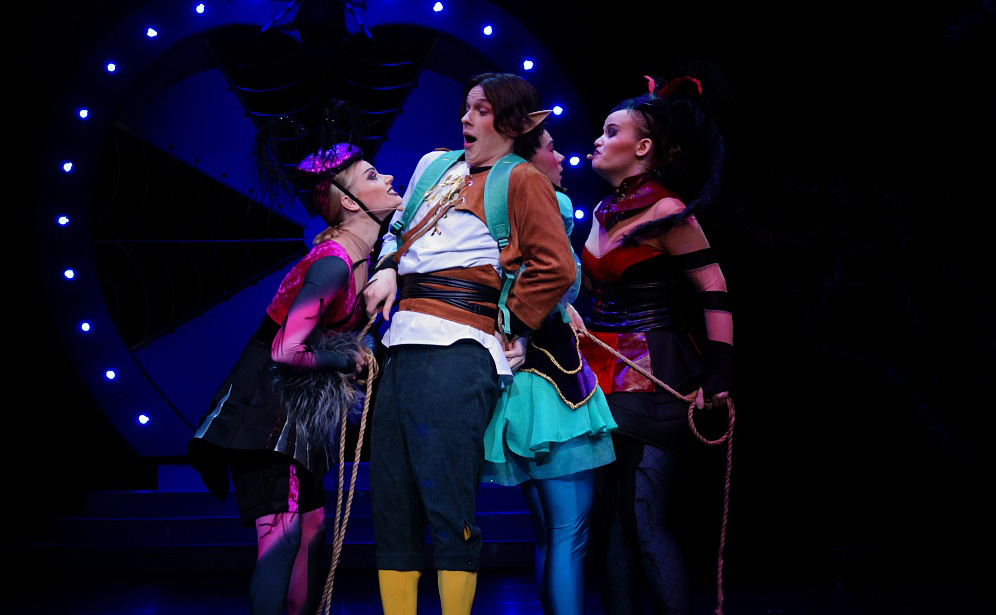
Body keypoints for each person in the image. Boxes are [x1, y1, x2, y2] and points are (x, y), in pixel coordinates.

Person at [362, 73, 577, 615]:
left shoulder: (520, 179)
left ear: (513, 124)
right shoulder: (434, 165)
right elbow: (398, 229)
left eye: (481, 110)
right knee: (391, 503)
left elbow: (557, 267)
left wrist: (514, 324)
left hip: (457, 347)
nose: (466, 118)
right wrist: (385, 269)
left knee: (445, 499)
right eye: (466, 107)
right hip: (401, 343)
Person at [188, 142, 403, 615]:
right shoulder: (333, 263)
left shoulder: (358, 259)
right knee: (283, 536)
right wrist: (346, 360)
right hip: (267, 419)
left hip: (295, 421)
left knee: (310, 527)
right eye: (372, 176)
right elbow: (287, 349)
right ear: (350, 202)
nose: (388, 179)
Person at [574, 76, 733, 615]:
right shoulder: (601, 209)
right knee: (609, 521)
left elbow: (713, 289)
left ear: (642, 148)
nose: (597, 140)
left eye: (611, 131)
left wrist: (719, 376)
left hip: (655, 375)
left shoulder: (668, 211)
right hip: (598, 375)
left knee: (642, 515)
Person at [482, 129, 616, 615]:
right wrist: (557, 304)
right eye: (550, 148)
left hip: (515, 388)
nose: (560, 157)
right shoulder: (549, 200)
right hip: (553, 390)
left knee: (548, 533)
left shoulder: (490, 202)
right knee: (569, 534)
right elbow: (561, 277)